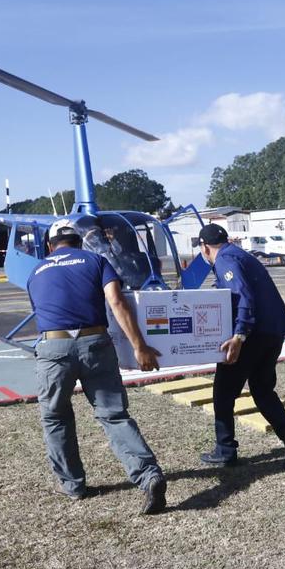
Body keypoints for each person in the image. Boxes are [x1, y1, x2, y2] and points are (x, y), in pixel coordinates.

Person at [27, 220, 167, 514]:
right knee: (114, 415)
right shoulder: (96, 260)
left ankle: (72, 484)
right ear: (78, 242)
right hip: (95, 342)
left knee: (55, 417)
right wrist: (140, 347)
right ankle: (148, 475)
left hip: (54, 348)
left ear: (50, 246)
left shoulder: (35, 271)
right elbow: (116, 302)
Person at [196, 223, 285, 470]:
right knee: (262, 390)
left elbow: (244, 296)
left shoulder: (225, 260)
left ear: (204, 248)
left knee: (223, 393)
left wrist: (239, 335)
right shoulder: (241, 255)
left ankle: (225, 450)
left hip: (252, 335)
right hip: (273, 332)